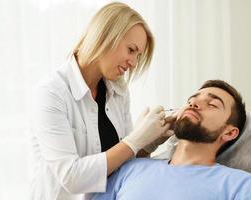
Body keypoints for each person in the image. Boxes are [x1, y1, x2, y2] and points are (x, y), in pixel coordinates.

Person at [29, 2, 171, 200]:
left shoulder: (118, 91)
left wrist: (147, 143)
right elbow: (71, 177)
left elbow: (122, 164)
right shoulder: (51, 92)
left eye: (138, 56)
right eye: (131, 50)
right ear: (105, 35)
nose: (133, 63)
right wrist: (136, 139)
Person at [92, 80, 251, 200]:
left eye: (212, 105)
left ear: (229, 132)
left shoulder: (241, 185)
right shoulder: (130, 168)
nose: (194, 104)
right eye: (191, 100)